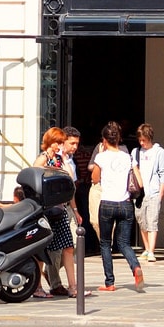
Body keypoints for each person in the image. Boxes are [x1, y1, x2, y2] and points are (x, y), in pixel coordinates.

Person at [91, 121, 145, 293]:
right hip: (125, 204)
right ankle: (135, 267)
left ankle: (110, 282)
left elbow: (95, 179)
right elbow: (140, 182)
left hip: (107, 203)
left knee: (105, 243)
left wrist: (101, 157)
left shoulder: (101, 157)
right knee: (124, 243)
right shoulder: (128, 157)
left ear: (104, 140)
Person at [31, 126, 81, 298]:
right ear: (49, 142)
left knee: (68, 247)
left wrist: (75, 210)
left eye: (61, 142)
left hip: (60, 210)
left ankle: (73, 287)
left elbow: (69, 181)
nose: (59, 145)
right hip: (46, 210)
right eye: (57, 142)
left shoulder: (61, 159)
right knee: (40, 250)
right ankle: (37, 287)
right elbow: (35, 174)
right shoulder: (42, 158)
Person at [45, 126, 84, 297]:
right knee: (56, 248)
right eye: (71, 143)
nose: (75, 147)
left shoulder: (68, 160)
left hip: (66, 207)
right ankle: (56, 283)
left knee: (72, 246)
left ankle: (56, 277)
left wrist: (75, 210)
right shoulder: (49, 159)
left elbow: (71, 187)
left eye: (77, 144)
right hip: (53, 209)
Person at [133, 123, 164, 262]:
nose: (142, 143)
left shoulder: (159, 152)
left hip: (153, 191)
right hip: (140, 193)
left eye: (144, 140)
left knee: (152, 221)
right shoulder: (136, 152)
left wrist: (161, 192)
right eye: (140, 140)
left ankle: (151, 251)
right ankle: (146, 249)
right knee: (142, 221)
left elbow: (163, 173)